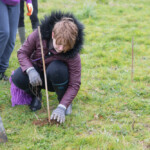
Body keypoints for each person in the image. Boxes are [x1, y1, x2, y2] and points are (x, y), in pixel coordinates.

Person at [11, 11, 84, 124]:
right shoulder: (38, 35)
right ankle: (36, 95)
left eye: (65, 46)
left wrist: (62, 107)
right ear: (53, 35)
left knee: (56, 68)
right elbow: (22, 53)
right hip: (36, 75)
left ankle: (63, 100)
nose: (61, 48)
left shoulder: (73, 54)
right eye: (59, 44)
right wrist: (30, 71)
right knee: (18, 77)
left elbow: (75, 84)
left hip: (55, 78)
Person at [0, 0, 33, 81]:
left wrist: (29, 2)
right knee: (4, 33)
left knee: (11, 39)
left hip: (15, 3)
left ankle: (1, 71)